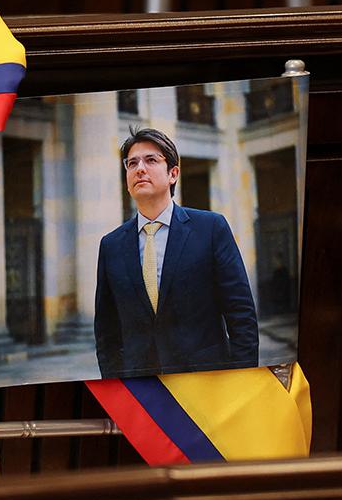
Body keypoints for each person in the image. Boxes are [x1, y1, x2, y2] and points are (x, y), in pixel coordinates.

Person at [94, 127, 259, 379]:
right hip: (142, 388)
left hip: (206, 382)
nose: (140, 169)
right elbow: (106, 331)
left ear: (173, 174)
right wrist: (117, 386)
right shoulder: (111, 245)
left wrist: (241, 382)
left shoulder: (210, 228)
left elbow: (241, 314)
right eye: (132, 163)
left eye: (151, 160)